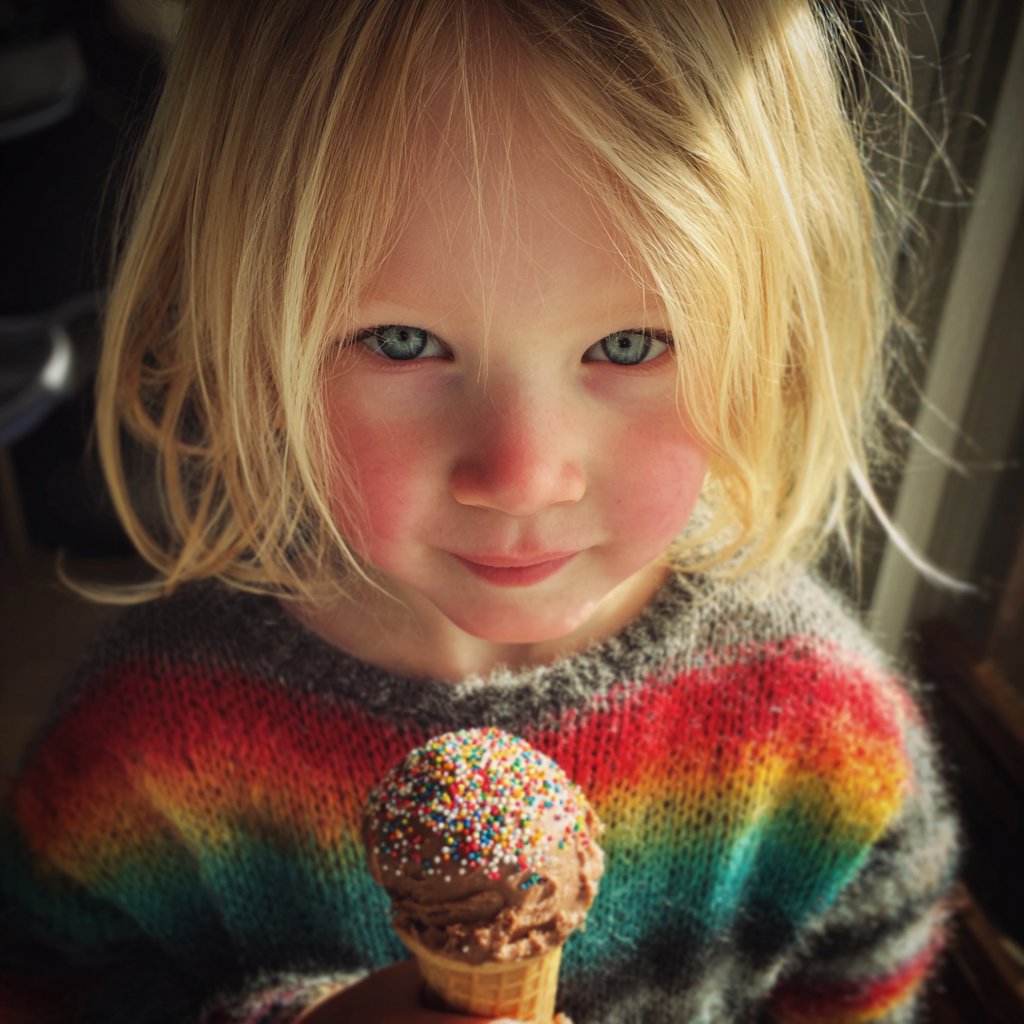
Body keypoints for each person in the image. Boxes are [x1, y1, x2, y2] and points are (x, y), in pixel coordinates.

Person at [0, 1, 960, 1022]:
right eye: (405, 343)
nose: (521, 473)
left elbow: (868, 968)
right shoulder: (146, 751)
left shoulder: (816, 726)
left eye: (630, 345)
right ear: (247, 339)